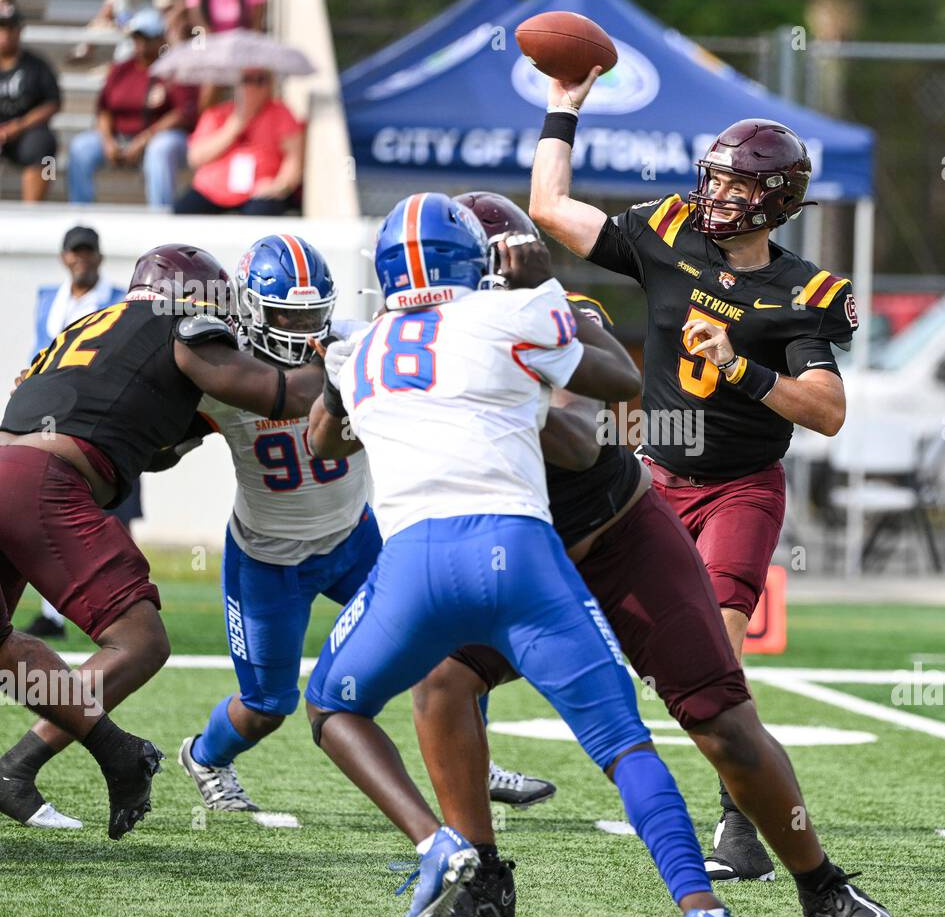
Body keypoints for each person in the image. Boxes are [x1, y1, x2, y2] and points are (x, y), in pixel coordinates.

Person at [413, 192, 890, 917]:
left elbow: (598, 414)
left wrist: (512, 403)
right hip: (531, 547)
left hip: (624, 529)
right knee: (441, 680)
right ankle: (481, 872)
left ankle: (821, 885)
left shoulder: (558, 316)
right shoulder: (417, 344)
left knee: (717, 713)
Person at [304, 192, 727, 917]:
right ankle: (699, 904)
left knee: (329, 707)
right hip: (520, 551)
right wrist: (543, 289)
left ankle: (437, 841)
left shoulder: (360, 346)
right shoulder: (504, 313)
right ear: (474, 259)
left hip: (413, 565)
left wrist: (335, 371)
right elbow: (617, 383)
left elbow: (323, 441)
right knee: (624, 744)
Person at [531, 70, 860, 882]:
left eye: (736, 183)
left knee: (718, 653)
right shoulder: (668, 232)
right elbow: (550, 208)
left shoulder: (800, 291)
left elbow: (826, 410)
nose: (715, 194)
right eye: (714, 177)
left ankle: (736, 821)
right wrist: (564, 107)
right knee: (533, 603)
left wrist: (744, 367)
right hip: (652, 476)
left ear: (776, 199)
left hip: (742, 484)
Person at [171, 233, 550, 814]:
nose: (300, 332)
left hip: (355, 538)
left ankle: (478, 760)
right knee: (268, 704)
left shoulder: (354, 342)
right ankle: (205, 755)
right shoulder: (225, 375)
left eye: (310, 315)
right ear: (250, 309)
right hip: (267, 559)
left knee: (454, 642)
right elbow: (157, 434)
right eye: (282, 315)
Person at [0, 243, 324, 833]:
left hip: (7, 464)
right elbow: (290, 395)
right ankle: (118, 758)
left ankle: (14, 773)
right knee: (141, 641)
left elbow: (148, 449)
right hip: (45, 483)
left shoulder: (92, 326)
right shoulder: (185, 325)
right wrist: (346, 358)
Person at [24, 226, 132, 641]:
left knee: (112, 517)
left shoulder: (117, 300)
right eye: (75, 252)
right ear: (64, 256)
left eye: (88, 252)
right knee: (45, 514)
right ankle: (53, 613)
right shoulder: (48, 299)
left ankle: (124, 604)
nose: (81, 259)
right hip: (45, 419)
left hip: (99, 423)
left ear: (100, 257)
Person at [67, 9, 197, 208]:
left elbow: (182, 114)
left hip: (163, 137)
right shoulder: (121, 69)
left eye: (147, 38)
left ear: (161, 39)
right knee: (81, 147)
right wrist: (108, 141)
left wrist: (144, 139)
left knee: (160, 150)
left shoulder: (175, 69)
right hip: (121, 136)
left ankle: (161, 214)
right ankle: (80, 212)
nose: (141, 44)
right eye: (137, 38)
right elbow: (105, 109)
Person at [174, 69, 302, 215]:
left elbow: (293, 159)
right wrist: (236, 124)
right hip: (212, 191)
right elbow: (195, 158)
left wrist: (280, 186)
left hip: (259, 193)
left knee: (264, 213)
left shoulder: (281, 114)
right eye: (247, 80)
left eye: (261, 80)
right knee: (183, 211)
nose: (253, 87)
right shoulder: (216, 113)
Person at [0, 3, 59, 202]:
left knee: (46, 148)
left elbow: (53, 103)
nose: (5, 34)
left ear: (19, 30)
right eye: (1, 28)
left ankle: (33, 211)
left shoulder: (36, 65)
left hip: (26, 132)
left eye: (10, 28)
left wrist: (20, 125)